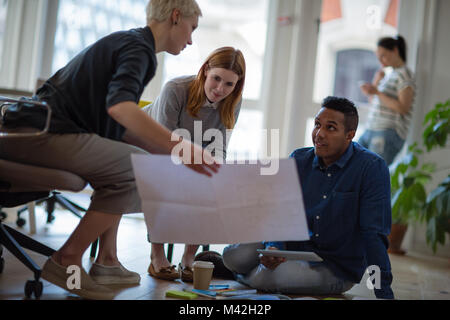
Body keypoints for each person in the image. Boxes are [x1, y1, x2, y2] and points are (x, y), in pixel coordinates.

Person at [0, 0, 219, 300]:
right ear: (175, 16)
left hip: (34, 129)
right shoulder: (139, 49)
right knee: (137, 170)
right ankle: (68, 260)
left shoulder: (129, 42)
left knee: (136, 164)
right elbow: (121, 108)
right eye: (191, 29)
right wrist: (181, 147)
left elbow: (119, 126)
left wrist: (168, 155)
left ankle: (107, 261)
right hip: (40, 132)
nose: (191, 39)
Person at [222, 96, 395, 299]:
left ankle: (242, 278)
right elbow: (280, 212)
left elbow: (374, 234)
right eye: (317, 125)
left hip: (334, 266)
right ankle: (241, 272)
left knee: (269, 278)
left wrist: (383, 292)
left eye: (330, 128)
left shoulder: (371, 168)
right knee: (232, 256)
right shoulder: (299, 159)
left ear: (350, 135)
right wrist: (274, 247)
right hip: (293, 248)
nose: (319, 134)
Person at [142, 46, 246, 282]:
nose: (220, 89)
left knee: (211, 185)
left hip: (188, 153)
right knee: (163, 180)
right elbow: (162, 145)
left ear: (237, 85)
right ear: (205, 70)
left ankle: (189, 258)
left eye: (229, 84)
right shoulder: (176, 90)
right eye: (216, 79)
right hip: (148, 148)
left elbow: (218, 146)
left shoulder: (232, 102)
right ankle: (157, 255)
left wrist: (217, 172)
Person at [359, 35, 416, 166]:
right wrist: (376, 83)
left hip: (387, 131)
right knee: (352, 162)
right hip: (372, 128)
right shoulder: (391, 74)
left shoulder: (405, 74)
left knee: (372, 174)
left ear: (395, 51)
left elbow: (403, 107)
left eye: (383, 56)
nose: (381, 61)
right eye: (378, 57)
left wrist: (377, 92)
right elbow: (374, 101)